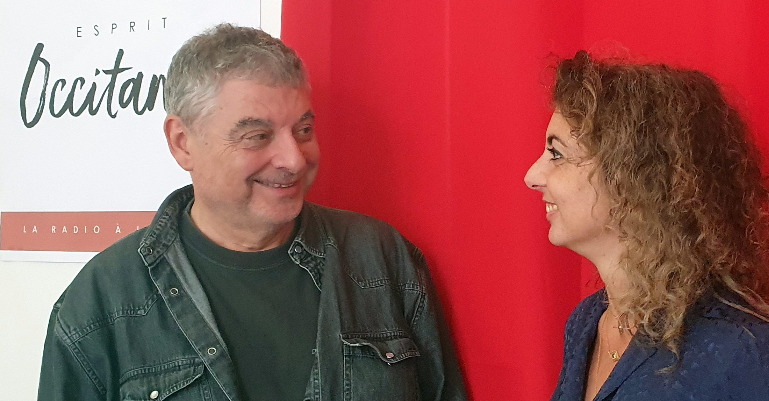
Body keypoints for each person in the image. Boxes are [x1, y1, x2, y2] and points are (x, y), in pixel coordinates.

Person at [37, 24, 466, 401]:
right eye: (258, 136)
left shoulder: (383, 258)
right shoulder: (100, 301)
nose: (294, 160)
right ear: (183, 142)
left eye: (304, 130)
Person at [524, 51, 769, 401]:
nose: (532, 176)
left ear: (635, 178)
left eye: (557, 154)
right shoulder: (586, 323)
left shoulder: (750, 356)